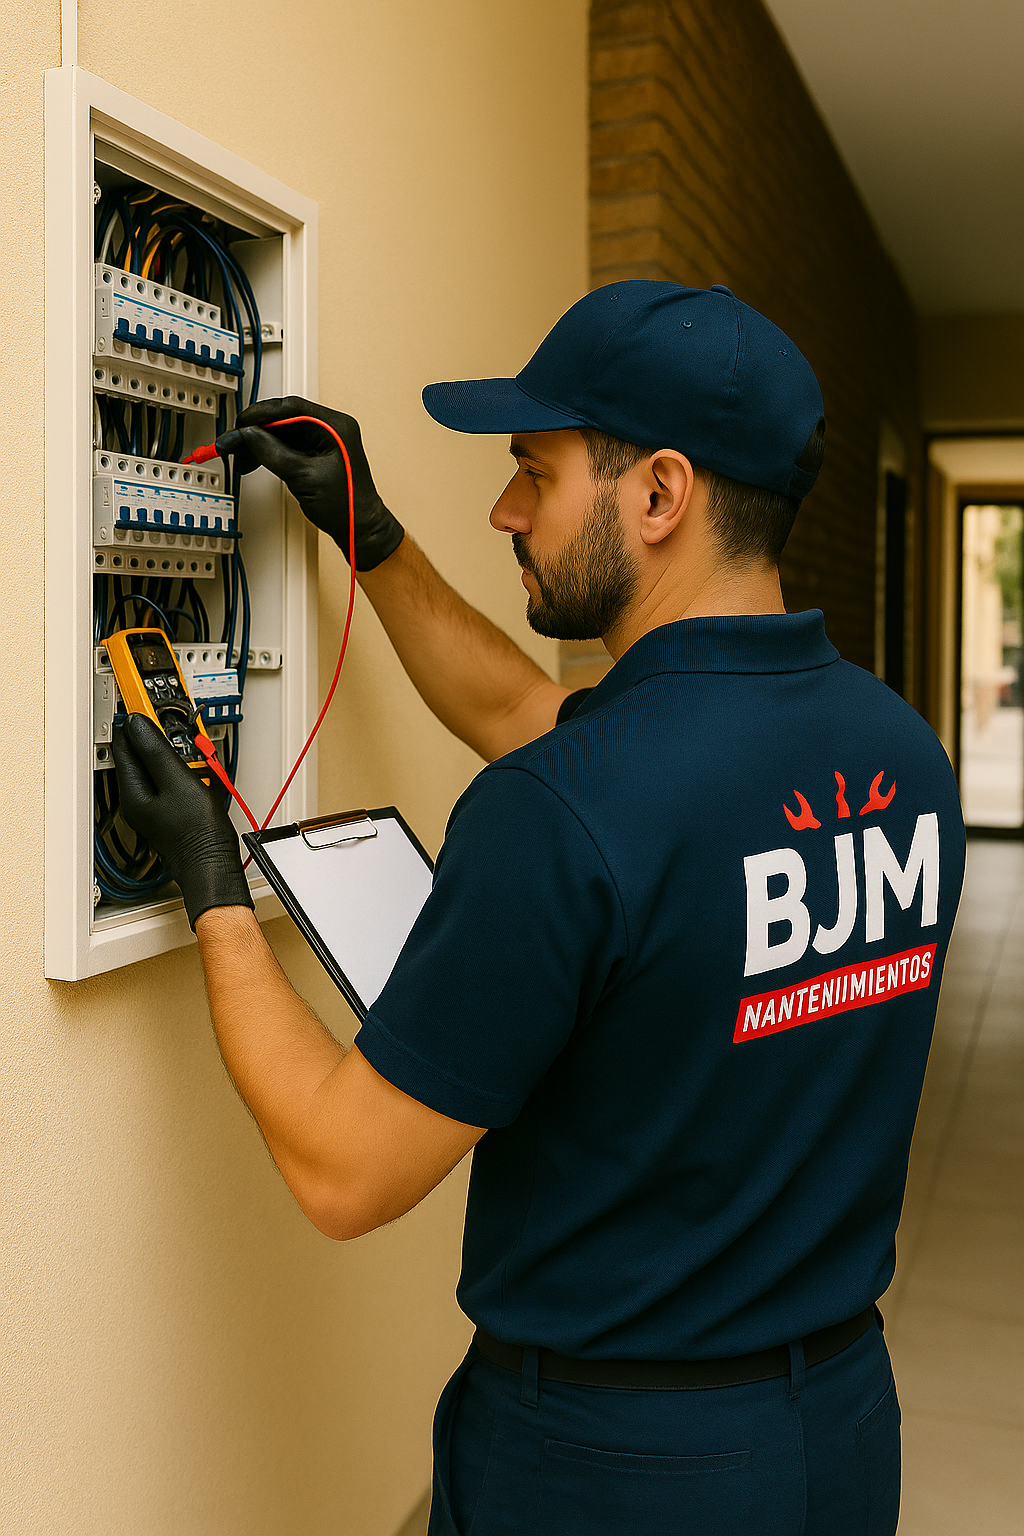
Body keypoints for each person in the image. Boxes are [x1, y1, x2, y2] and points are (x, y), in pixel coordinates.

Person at [112, 281, 966, 1536]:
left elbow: (343, 1170)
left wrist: (210, 881)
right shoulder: (898, 752)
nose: (505, 511)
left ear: (659, 494)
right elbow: (524, 711)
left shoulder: (560, 812)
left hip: (608, 1471)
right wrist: (371, 537)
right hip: (831, 1432)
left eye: (534, 472)